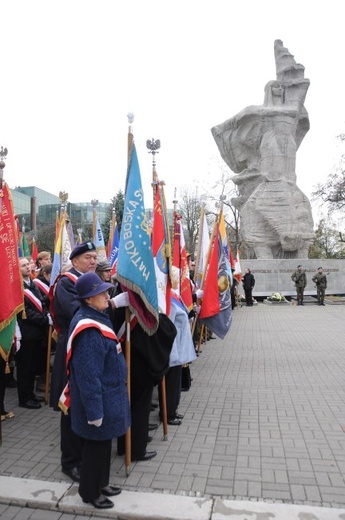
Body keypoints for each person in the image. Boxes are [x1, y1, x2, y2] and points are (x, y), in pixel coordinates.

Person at [61, 272, 130, 510]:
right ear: (88, 298)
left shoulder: (97, 315)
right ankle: (90, 492)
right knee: (94, 447)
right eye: (100, 292)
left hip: (110, 396)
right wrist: (94, 411)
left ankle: (102, 483)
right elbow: (89, 376)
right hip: (99, 400)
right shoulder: (88, 329)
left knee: (103, 445)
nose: (106, 294)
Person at [50, 241, 98, 482]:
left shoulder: (92, 281)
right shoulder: (66, 283)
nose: (93, 261)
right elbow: (77, 312)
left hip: (88, 348)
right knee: (69, 405)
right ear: (75, 260)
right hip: (72, 348)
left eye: (94, 257)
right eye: (88, 257)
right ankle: (69, 462)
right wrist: (105, 304)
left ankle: (84, 455)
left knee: (85, 402)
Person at [16, 257, 52, 409]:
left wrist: (47, 311)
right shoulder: (17, 287)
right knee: (24, 368)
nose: (27, 268)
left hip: (36, 334)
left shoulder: (32, 283)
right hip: (26, 334)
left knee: (32, 368)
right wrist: (45, 319)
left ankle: (30, 393)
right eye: (23, 266)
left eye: (27, 265)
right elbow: (25, 312)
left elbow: (40, 303)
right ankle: (24, 398)